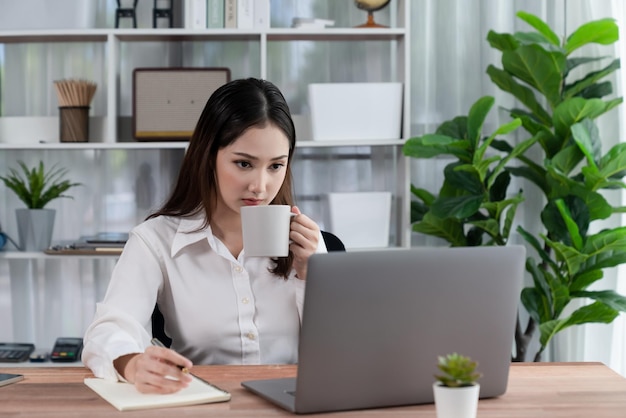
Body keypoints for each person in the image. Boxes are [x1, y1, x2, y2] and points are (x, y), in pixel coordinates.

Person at [82, 78, 326, 394]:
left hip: (294, 404)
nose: (260, 185)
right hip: (200, 402)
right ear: (209, 155)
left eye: (275, 166)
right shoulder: (155, 241)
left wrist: (311, 275)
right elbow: (109, 328)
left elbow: (345, 354)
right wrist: (131, 363)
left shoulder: (313, 246)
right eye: (244, 163)